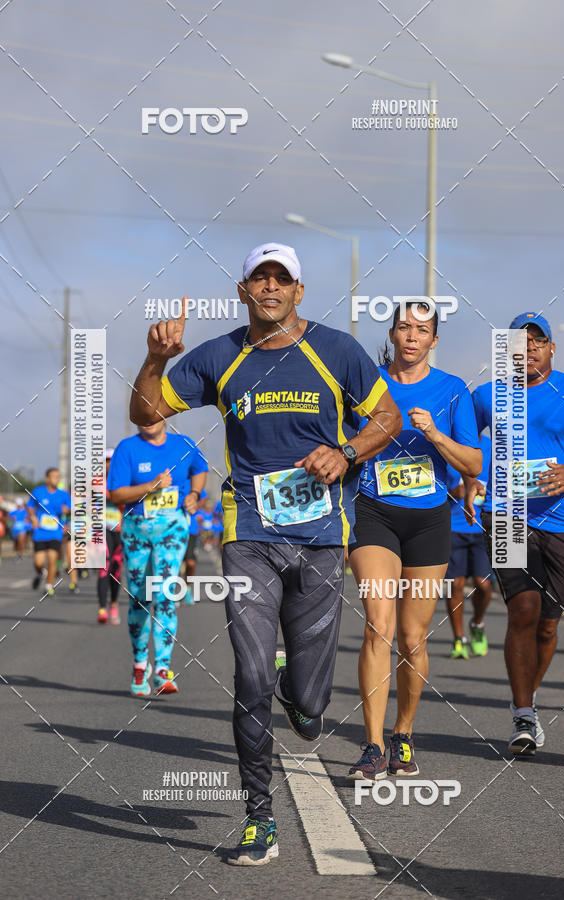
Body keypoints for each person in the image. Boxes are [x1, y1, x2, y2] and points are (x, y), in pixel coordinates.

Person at [130, 242, 402, 866]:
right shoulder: (219, 356)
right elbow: (145, 410)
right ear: (244, 289)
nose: (272, 288)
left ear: (299, 292)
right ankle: (259, 818)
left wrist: (348, 453)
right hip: (246, 534)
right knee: (249, 677)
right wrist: (152, 360)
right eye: (261, 278)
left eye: (284, 279)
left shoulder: (337, 351)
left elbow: (386, 418)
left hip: (321, 538)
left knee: (309, 705)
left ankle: (297, 692)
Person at [346, 301, 481, 783]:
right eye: (403, 327)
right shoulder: (367, 385)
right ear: (393, 332)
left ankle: (403, 732)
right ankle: (374, 745)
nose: (411, 336)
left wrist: (434, 434)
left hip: (428, 520)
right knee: (377, 626)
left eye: (421, 330)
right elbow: (346, 444)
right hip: (373, 511)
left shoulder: (452, 391)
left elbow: (473, 464)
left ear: (433, 340)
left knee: (411, 637)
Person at [468, 313, 564, 756]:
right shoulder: (486, 396)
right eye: (518, 344)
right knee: (523, 610)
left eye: (537, 341)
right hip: (506, 516)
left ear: (550, 348)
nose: (527, 350)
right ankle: (523, 714)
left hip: (562, 523)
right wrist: (470, 481)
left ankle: (528, 697)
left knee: (547, 625)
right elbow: (466, 448)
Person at [108, 422, 208, 696]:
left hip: (172, 526)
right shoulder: (127, 448)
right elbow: (116, 493)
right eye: (142, 414)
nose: (148, 420)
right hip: (137, 527)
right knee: (140, 597)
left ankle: (163, 668)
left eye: (153, 413)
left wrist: (194, 495)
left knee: (164, 592)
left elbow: (200, 469)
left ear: (164, 416)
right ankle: (140, 665)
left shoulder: (184, 443)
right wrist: (151, 486)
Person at [445, 434, 493, 659]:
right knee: (454, 585)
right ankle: (458, 638)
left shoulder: (493, 445)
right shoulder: (447, 443)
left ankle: (478, 623)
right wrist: (453, 493)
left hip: (484, 527)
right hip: (453, 526)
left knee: (483, 585)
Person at [27, 468, 71, 595]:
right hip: (40, 532)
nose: (56, 479)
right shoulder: (38, 492)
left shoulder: (63, 495)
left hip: (55, 532)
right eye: (53, 476)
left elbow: (70, 509)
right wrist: (33, 517)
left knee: (52, 558)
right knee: (39, 563)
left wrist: (67, 513)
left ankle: (48, 585)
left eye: (58, 476)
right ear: (47, 478)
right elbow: (30, 507)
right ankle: (40, 573)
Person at [97, 449, 124, 625]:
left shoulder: (123, 480)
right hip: (101, 530)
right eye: (105, 461)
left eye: (110, 461)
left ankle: (114, 603)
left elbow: (128, 501)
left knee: (116, 570)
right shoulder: (95, 483)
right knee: (103, 568)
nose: (108, 464)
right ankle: (102, 609)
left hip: (121, 531)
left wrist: (114, 497)